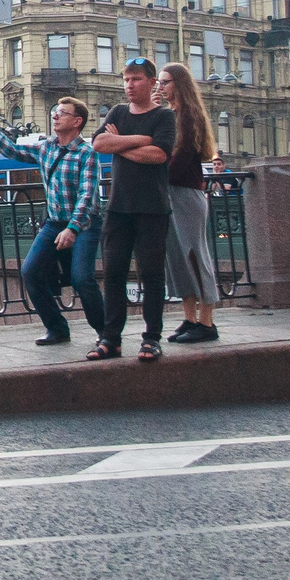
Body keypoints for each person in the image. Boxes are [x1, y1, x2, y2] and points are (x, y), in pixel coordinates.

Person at [0, 92, 99, 348]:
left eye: (62, 113)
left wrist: (72, 229)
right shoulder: (46, 147)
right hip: (54, 223)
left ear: (77, 121)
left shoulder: (87, 153)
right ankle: (57, 328)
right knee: (30, 271)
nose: (55, 115)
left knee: (82, 278)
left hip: (84, 225)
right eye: (55, 111)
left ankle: (106, 332)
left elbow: (87, 196)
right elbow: (11, 150)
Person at [89, 59, 174, 361]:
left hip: (152, 208)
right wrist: (138, 140)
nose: (130, 84)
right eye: (126, 79)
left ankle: (151, 338)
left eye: (137, 79)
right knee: (113, 274)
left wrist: (119, 142)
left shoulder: (164, 116)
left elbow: (158, 155)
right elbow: (98, 143)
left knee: (151, 275)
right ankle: (110, 338)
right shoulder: (117, 112)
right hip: (118, 208)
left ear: (152, 82)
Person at [156, 63, 222, 346]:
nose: (160, 87)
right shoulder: (169, 114)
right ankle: (189, 318)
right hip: (172, 192)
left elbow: (181, 157)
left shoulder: (189, 115)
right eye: (159, 82)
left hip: (186, 193)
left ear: (179, 84)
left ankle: (206, 322)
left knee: (195, 256)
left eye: (165, 82)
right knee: (178, 257)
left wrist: (156, 172)